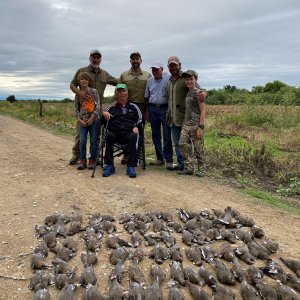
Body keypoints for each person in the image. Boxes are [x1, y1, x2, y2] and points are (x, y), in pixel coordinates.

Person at [69, 49, 118, 165]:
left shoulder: (105, 74)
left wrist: (127, 81)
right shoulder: (82, 71)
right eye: (93, 57)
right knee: (80, 136)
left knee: (96, 136)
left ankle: (94, 157)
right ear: (90, 58)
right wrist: (79, 92)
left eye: (98, 57)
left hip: (97, 111)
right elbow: (72, 84)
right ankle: (76, 156)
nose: (95, 59)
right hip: (83, 111)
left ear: (100, 59)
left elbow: (117, 81)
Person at [166, 55, 207, 171]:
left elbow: (200, 91)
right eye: (171, 66)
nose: (173, 68)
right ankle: (183, 165)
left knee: (194, 145)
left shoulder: (185, 78)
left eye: (175, 65)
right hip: (174, 118)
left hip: (188, 118)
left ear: (180, 65)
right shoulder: (169, 81)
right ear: (168, 67)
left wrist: (205, 93)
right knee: (180, 143)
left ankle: (197, 167)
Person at [102, 83, 143, 178]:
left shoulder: (134, 107)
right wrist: (104, 114)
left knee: (134, 135)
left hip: (129, 133)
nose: (122, 93)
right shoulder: (111, 107)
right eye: (119, 91)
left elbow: (141, 120)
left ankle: (131, 166)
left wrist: (137, 126)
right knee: (108, 136)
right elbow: (103, 122)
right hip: (115, 134)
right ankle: (109, 165)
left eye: (123, 91)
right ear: (116, 94)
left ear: (127, 93)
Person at [119, 51, 151, 164]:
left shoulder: (148, 75)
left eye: (137, 58)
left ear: (141, 61)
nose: (135, 61)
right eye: (133, 59)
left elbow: (150, 94)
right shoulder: (124, 75)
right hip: (128, 107)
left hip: (142, 107)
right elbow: (119, 91)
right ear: (130, 61)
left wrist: (147, 111)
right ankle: (126, 154)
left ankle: (139, 154)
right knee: (127, 130)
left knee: (140, 131)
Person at [144, 61, 173, 167]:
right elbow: (146, 97)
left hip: (164, 108)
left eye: (157, 69)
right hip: (152, 109)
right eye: (153, 70)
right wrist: (147, 112)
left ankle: (169, 159)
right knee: (155, 135)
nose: (155, 71)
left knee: (166, 135)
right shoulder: (149, 81)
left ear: (162, 70)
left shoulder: (168, 78)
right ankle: (160, 158)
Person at [179, 70, 206, 176]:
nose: (189, 81)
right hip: (186, 124)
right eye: (187, 79)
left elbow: (203, 110)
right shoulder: (188, 92)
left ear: (195, 80)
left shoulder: (199, 93)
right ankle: (189, 167)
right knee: (182, 144)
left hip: (196, 125)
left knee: (198, 148)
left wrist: (201, 127)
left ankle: (202, 169)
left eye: (191, 79)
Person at [74, 72, 100, 170]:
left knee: (93, 141)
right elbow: (76, 109)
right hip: (82, 121)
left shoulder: (94, 91)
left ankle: (92, 160)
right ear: (79, 81)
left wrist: (92, 118)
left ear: (88, 81)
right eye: (82, 79)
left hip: (94, 120)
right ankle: (82, 161)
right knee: (82, 141)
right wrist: (78, 119)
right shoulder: (78, 94)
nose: (84, 80)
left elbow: (98, 106)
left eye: (86, 79)